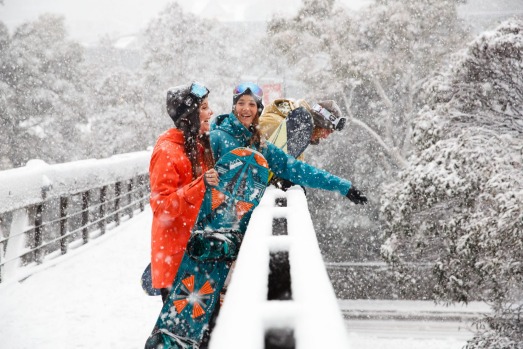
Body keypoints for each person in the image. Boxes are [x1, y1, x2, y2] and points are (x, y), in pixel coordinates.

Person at [210, 82, 368, 228]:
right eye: (241, 103)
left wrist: (343, 186)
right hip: (208, 226)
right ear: (233, 106)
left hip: (237, 227)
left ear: (257, 110)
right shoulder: (217, 137)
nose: (246, 109)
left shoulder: (260, 144)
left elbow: (296, 169)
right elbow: (196, 180)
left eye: (252, 104)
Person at [148, 82, 219, 303]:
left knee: (202, 333)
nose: (211, 112)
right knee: (185, 335)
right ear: (190, 114)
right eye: (204, 107)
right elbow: (162, 207)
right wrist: (200, 186)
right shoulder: (167, 151)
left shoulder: (198, 146)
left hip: (195, 256)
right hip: (177, 262)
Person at [259, 97, 347, 190]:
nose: (325, 137)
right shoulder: (275, 123)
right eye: (328, 131)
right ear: (320, 123)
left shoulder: (297, 137)